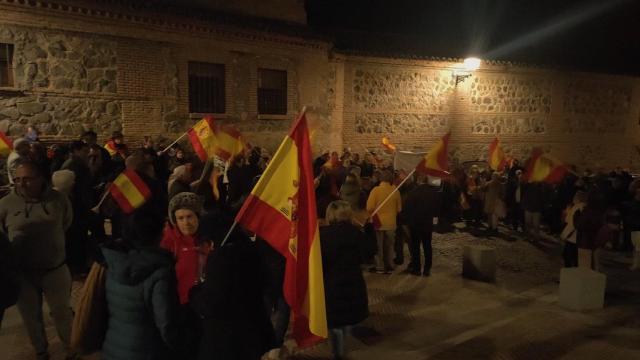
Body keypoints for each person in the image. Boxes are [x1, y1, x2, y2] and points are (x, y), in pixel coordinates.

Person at [0, 160, 74, 360]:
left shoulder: (58, 199)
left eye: (27, 179)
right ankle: (41, 351)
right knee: (31, 317)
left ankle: (71, 349)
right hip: (23, 274)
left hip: (54, 269)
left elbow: (66, 223)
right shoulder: (5, 204)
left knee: (62, 314)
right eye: (17, 180)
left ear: (41, 179)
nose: (21, 184)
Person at [100, 183, 181, 360]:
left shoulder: (115, 261)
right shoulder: (159, 271)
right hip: (148, 351)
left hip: (114, 348)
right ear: (159, 232)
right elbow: (167, 325)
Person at [190, 214, 275, 360]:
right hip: (253, 331)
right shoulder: (250, 249)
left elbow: (212, 303)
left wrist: (194, 294)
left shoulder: (220, 258)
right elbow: (265, 283)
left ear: (211, 240)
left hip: (227, 339)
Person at [320, 200, 369, 359]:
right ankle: (340, 349)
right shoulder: (357, 233)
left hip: (332, 285)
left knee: (335, 324)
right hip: (353, 283)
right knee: (346, 319)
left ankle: (338, 353)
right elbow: (367, 256)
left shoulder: (322, 235)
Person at [402, 175, 443, 276]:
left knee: (415, 246)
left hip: (415, 223)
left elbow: (407, 208)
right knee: (427, 246)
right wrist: (435, 222)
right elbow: (437, 209)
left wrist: (407, 221)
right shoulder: (434, 193)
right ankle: (427, 269)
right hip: (427, 223)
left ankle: (416, 268)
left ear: (419, 181)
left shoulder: (413, 192)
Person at [366, 170, 402, 274]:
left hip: (378, 222)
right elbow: (399, 209)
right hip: (391, 222)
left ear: (381, 179)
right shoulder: (395, 191)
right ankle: (390, 265)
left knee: (378, 245)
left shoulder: (375, 190)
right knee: (390, 246)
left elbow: (369, 207)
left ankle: (380, 266)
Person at [561, 191, 587, 267]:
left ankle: (569, 274)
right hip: (581, 237)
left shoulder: (576, 207)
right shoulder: (585, 207)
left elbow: (569, 221)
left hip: (572, 236)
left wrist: (567, 212)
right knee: (576, 258)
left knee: (567, 256)